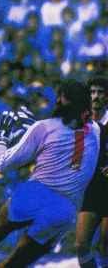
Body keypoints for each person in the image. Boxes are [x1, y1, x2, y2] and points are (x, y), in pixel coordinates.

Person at [0, 78, 100, 268]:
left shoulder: (44, 127)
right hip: (64, 209)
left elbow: (1, 165)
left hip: (35, 193)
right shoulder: (95, 131)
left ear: (61, 99)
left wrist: (0, 140)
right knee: (15, 262)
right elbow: (71, 133)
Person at [75, 76, 108, 268]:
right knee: (81, 245)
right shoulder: (83, 124)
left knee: (104, 247)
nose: (95, 97)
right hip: (92, 189)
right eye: (92, 92)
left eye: (100, 92)